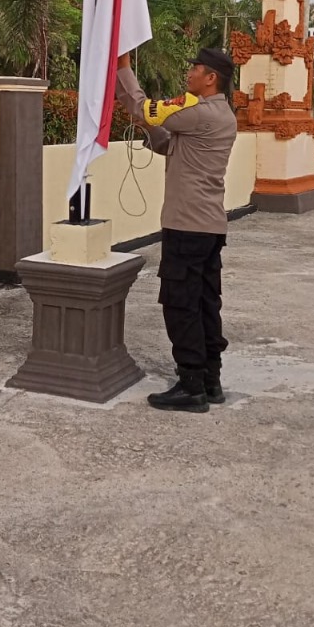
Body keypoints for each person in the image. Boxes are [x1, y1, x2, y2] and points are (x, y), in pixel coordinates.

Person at [116, 48, 237, 413]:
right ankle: (210, 380)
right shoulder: (219, 115)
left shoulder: (200, 112)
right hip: (207, 225)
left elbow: (144, 107)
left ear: (211, 77)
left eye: (195, 69)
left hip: (187, 226)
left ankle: (190, 386)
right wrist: (148, 127)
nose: (190, 74)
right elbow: (170, 145)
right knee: (204, 303)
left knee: (180, 304)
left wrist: (123, 69)